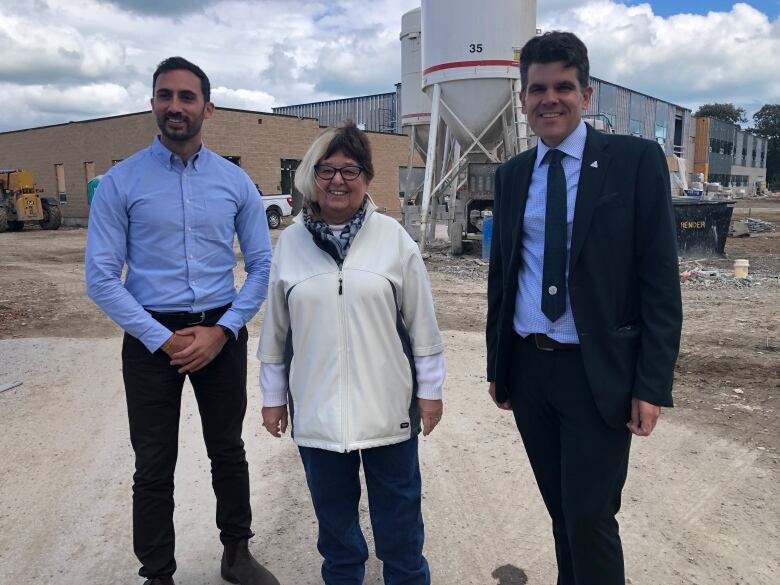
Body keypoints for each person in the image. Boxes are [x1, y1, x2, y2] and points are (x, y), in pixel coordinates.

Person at [486, 32, 682, 584]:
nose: (550, 99)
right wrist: (498, 368)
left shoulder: (635, 162)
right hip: (529, 370)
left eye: (563, 87)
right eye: (538, 89)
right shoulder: (511, 175)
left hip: (597, 374)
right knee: (561, 511)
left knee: (592, 517)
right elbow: (503, 277)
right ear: (523, 100)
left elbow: (660, 281)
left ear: (586, 94)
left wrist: (652, 382)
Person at [85, 56, 280, 585]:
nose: (175, 106)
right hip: (151, 335)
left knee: (228, 450)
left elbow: (261, 265)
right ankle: (158, 573)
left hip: (220, 330)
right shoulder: (120, 182)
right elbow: (101, 277)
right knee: (153, 465)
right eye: (165, 95)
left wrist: (224, 330)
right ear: (153, 103)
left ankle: (236, 553)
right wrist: (161, 339)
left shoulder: (236, 182)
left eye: (186, 97)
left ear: (207, 108)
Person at [258, 121, 445, 585]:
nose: (338, 180)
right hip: (319, 418)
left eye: (350, 169)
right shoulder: (292, 244)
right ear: (310, 177)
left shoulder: (394, 239)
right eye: (327, 170)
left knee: (400, 530)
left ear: (367, 177)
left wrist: (430, 392)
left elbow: (422, 325)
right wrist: (273, 397)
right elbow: (276, 332)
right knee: (337, 536)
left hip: (388, 414)